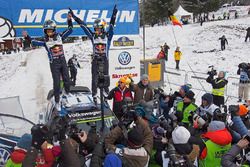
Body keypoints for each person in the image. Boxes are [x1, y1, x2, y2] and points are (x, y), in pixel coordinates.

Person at [69, 6, 118, 99]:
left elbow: (111, 25)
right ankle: (94, 94)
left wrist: (114, 15)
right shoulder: (92, 36)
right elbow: (83, 26)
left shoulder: (108, 36)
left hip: (105, 59)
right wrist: (74, 17)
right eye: (95, 29)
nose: (96, 31)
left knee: (105, 76)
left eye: (98, 29)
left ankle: (105, 92)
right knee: (94, 78)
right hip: (95, 59)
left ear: (103, 28)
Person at [31, 16, 73, 111]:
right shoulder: (44, 40)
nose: (49, 32)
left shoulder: (60, 36)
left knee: (67, 81)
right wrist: (28, 38)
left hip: (62, 61)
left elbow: (70, 30)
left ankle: (65, 99)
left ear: (54, 29)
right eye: (47, 31)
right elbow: (33, 42)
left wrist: (69, 20)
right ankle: (57, 101)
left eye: (51, 30)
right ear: (45, 31)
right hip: (54, 63)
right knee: (57, 83)